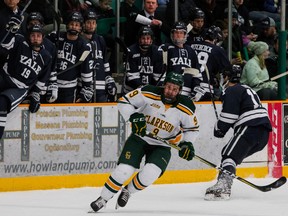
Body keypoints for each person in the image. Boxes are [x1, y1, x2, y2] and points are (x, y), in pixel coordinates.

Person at [90, 72, 198, 212]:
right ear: (164, 85)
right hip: (139, 138)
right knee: (123, 171)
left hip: (162, 145)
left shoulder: (187, 106)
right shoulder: (149, 92)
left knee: (150, 174)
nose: (170, 92)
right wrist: (133, 116)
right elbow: (124, 102)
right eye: (169, 87)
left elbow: (192, 129)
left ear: (179, 91)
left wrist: (187, 143)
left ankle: (128, 191)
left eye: (175, 89)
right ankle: (103, 199)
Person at [204, 65, 272, 201]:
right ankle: (222, 181)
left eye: (223, 76)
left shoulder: (232, 90)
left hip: (250, 127)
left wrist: (219, 128)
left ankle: (223, 186)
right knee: (230, 155)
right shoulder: (246, 89)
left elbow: (229, 116)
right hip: (263, 134)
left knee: (229, 154)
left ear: (227, 77)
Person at [0, 23, 52, 140]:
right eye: (33, 35)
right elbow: (4, 45)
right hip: (4, 77)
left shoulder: (46, 57)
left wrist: (35, 94)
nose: (35, 38)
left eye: (38, 36)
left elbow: (42, 79)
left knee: (2, 104)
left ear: (42, 38)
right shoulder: (20, 41)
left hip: (19, 88)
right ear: (29, 36)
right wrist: (10, 31)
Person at [46, 11, 93, 103]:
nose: (74, 27)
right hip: (51, 84)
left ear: (80, 28)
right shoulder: (54, 36)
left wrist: (86, 88)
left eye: (76, 25)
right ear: (67, 25)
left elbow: (86, 69)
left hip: (69, 89)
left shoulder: (84, 45)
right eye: (72, 24)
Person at [160, 21, 203, 102]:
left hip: (187, 92)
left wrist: (196, 87)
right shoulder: (165, 48)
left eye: (181, 33)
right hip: (169, 91)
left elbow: (196, 72)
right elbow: (161, 70)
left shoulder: (191, 51)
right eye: (176, 32)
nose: (178, 35)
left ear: (185, 35)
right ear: (172, 34)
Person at [81, 10, 117, 102]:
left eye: (93, 23)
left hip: (100, 85)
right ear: (83, 24)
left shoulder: (100, 39)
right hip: (83, 87)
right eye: (88, 22)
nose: (91, 25)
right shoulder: (79, 41)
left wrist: (109, 79)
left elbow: (104, 61)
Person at [191, 25, 231, 100]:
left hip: (187, 83)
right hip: (205, 87)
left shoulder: (191, 44)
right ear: (215, 40)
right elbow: (227, 71)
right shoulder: (218, 50)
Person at [26, 11, 58, 103]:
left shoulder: (50, 46)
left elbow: (52, 69)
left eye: (36, 23)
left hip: (41, 90)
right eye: (31, 24)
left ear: (42, 25)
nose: (33, 26)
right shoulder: (22, 42)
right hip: (23, 89)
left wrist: (52, 88)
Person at [122, 26, 163, 94]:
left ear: (152, 40)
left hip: (151, 91)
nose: (146, 41)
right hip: (131, 91)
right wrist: (143, 89)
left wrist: (150, 90)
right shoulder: (131, 51)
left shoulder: (157, 52)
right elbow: (132, 76)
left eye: (148, 38)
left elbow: (158, 76)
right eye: (143, 38)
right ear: (139, 39)